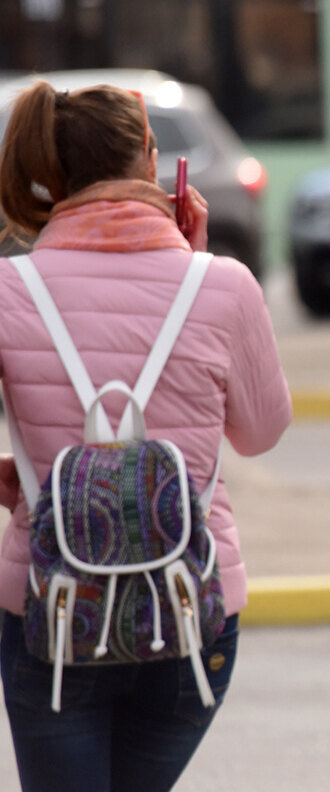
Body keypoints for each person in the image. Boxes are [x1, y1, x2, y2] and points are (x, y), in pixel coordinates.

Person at [0, 81, 292, 791]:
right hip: (190, 606)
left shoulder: (10, 289)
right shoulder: (223, 286)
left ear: (57, 172)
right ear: (153, 160)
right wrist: (195, 267)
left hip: (52, 608)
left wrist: (17, 476)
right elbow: (260, 433)